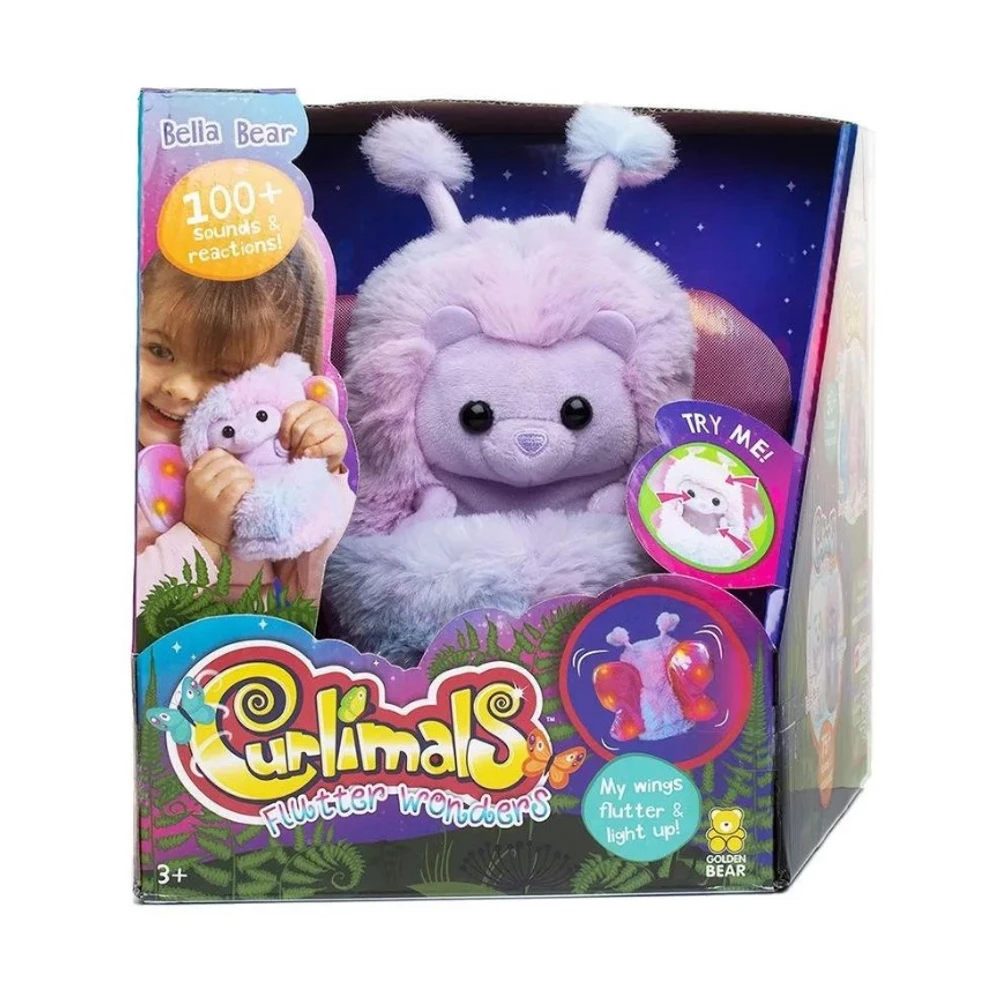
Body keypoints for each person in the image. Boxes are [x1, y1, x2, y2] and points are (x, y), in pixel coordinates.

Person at [135, 233, 350, 615]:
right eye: (159, 350)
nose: (179, 388)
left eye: (222, 372)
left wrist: (318, 472)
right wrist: (200, 538)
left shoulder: (258, 461)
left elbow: (299, 589)